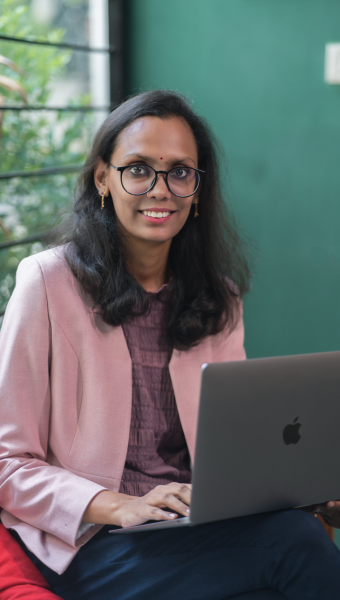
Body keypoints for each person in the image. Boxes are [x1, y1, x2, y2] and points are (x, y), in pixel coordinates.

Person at [0, 90, 340, 600]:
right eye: (138, 169)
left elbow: (235, 454)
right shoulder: (45, 282)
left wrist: (300, 493)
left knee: (298, 536)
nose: (160, 189)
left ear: (198, 190)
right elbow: (9, 463)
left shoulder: (217, 296)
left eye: (180, 172)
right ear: (102, 180)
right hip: (89, 540)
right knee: (296, 548)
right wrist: (116, 504)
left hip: (186, 530)